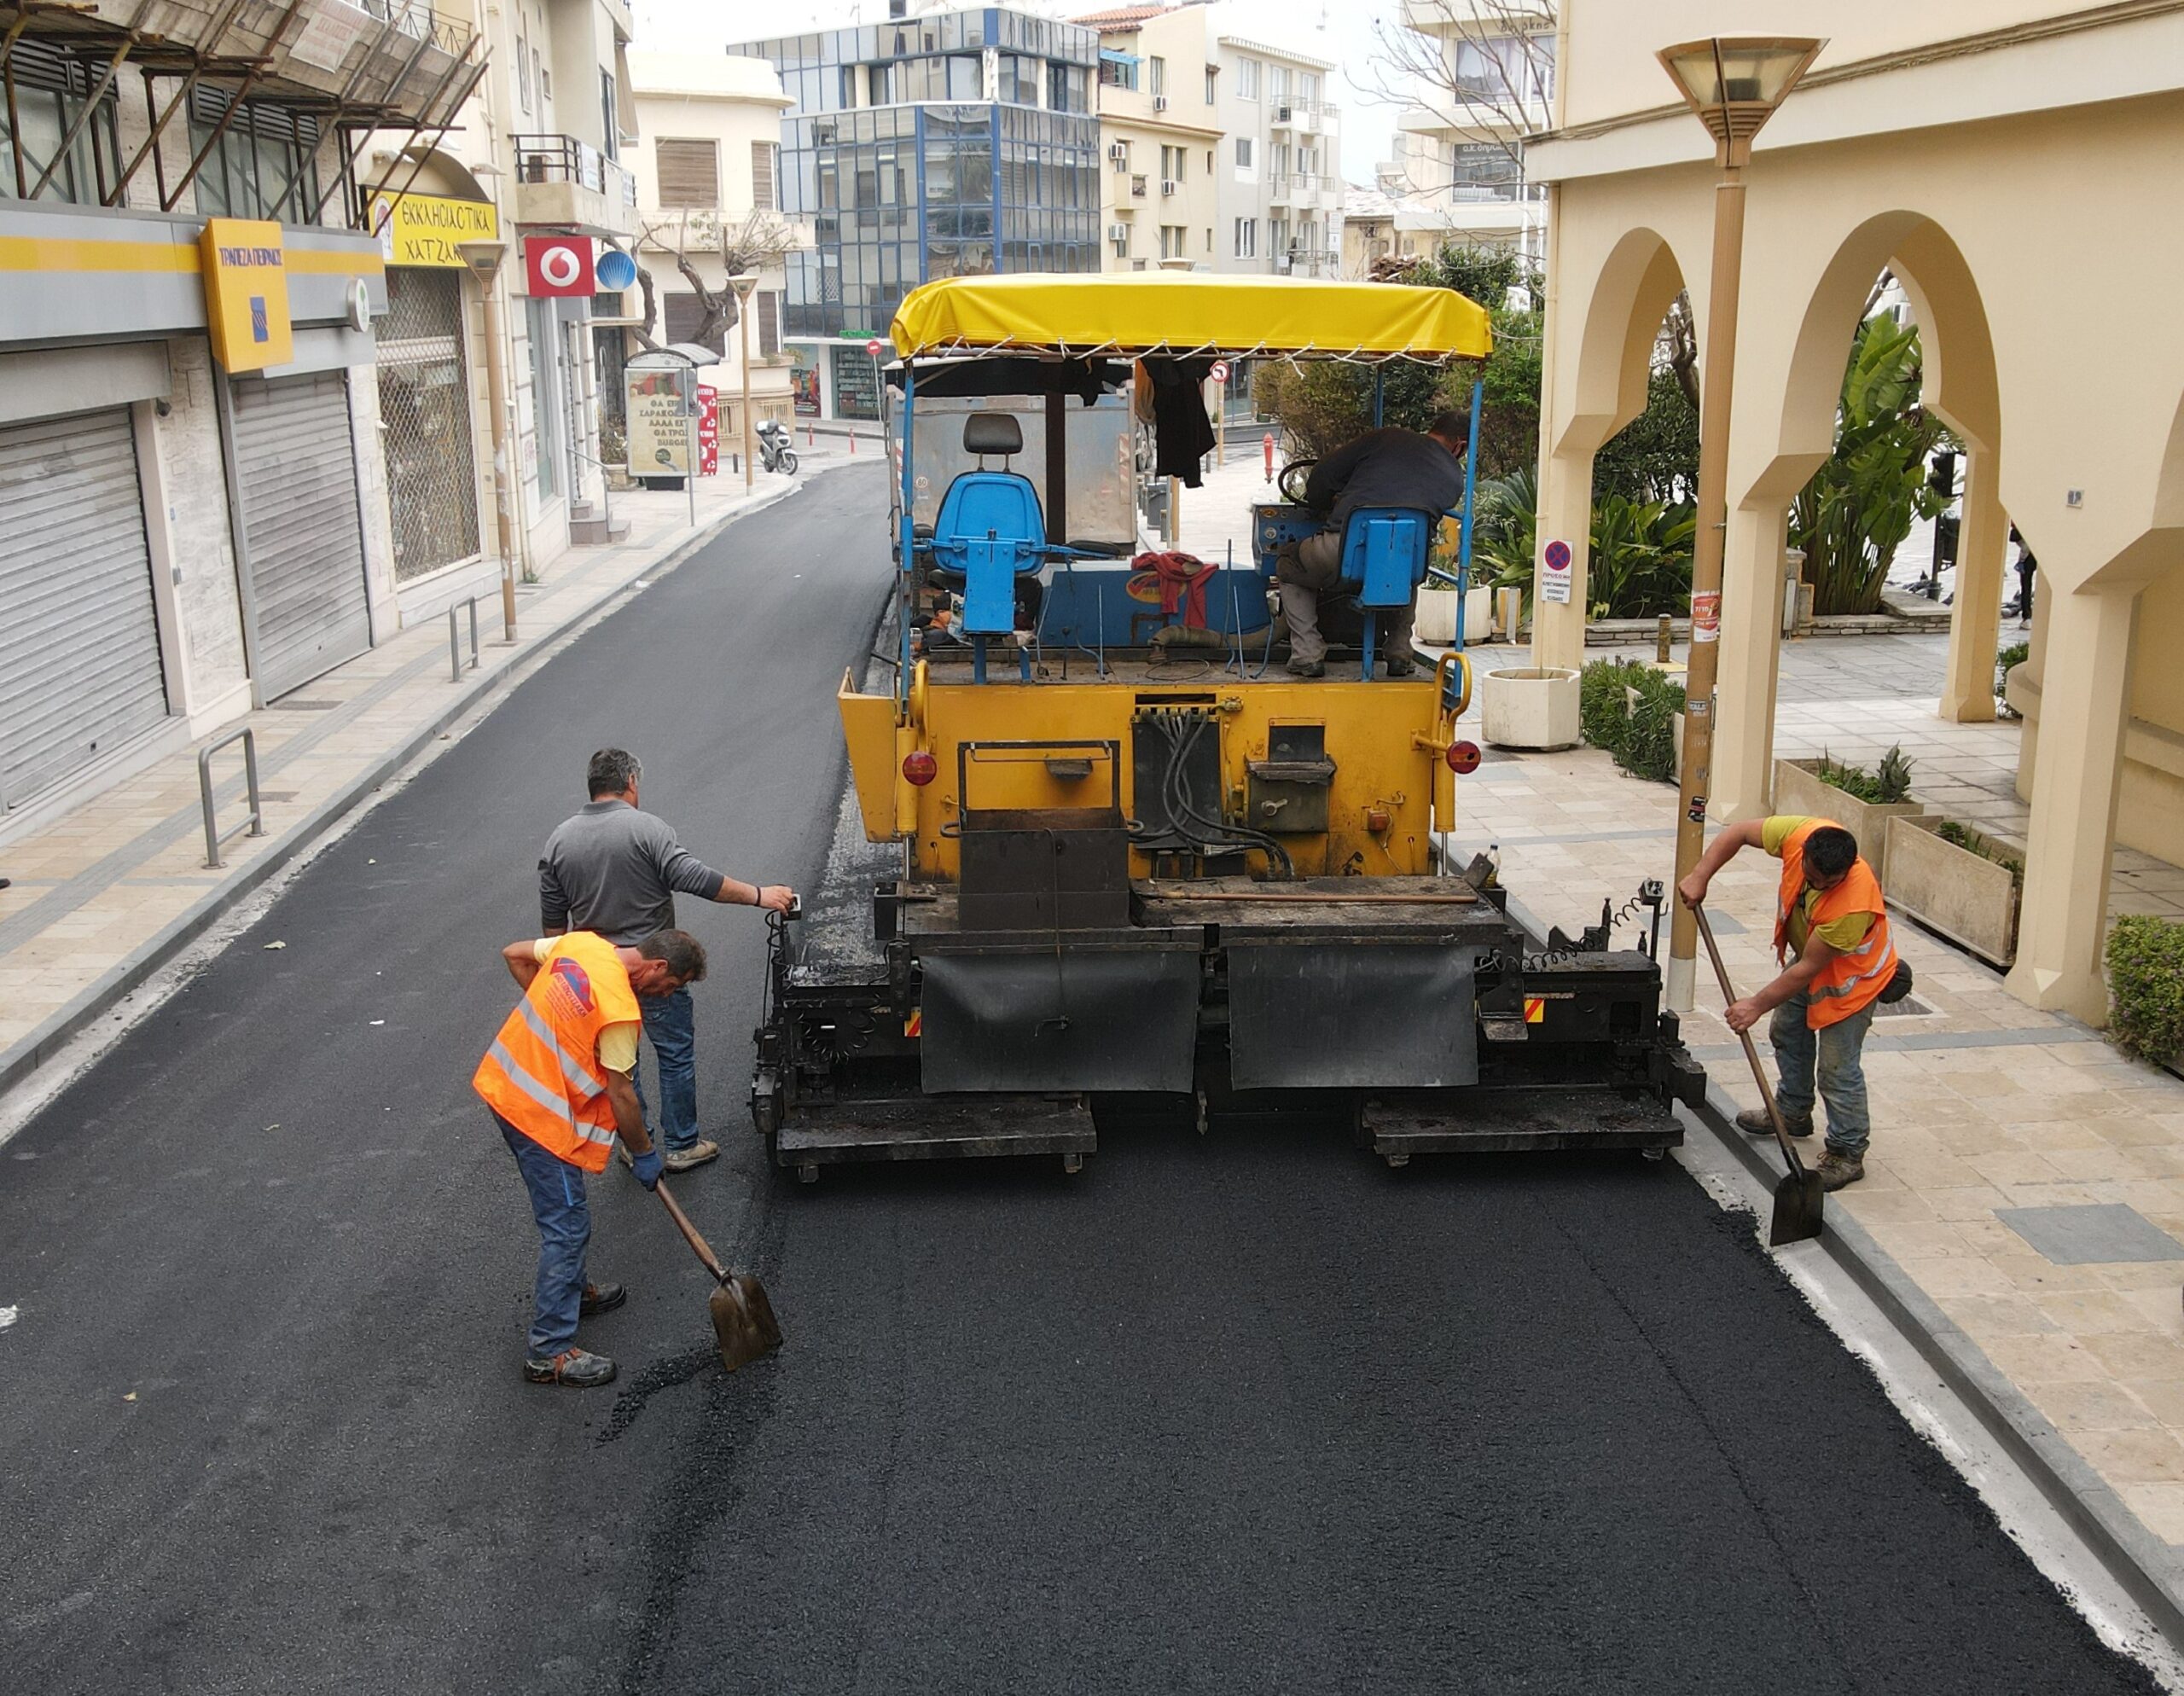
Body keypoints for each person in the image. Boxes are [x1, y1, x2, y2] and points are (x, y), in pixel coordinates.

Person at [539, 749, 795, 1174]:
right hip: (656, 971)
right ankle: (681, 1144)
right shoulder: (646, 830)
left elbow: (552, 928)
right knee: (674, 1053)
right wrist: (759, 894)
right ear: (631, 783)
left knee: (621, 1067)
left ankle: (635, 1143)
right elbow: (694, 878)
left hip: (599, 978)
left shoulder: (560, 840)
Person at [475, 927, 709, 1387]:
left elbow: (515, 953)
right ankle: (549, 1351)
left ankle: (573, 1291)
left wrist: (563, 1029)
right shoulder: (619, 1010)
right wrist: (644, 1153)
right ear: (658, 967)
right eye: (673, 985)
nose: (667, 994)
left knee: (568, 1208)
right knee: (567, 1224)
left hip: (506, 1081)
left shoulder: (582, 945)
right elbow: (623, 1097)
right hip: (537, 1114)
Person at [1677, 816, 1899, 1192]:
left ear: (1847, 870)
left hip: (1853, 979)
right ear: (1806, 853)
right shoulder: (1801, 834)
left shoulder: (1852, 905)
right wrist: (1701, 875)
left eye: (1830, 883)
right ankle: (1793, 1112)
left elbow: (1809, 970)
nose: (1819, 887)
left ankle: (1847, 1152)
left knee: (1837, 1068)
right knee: (1788, 1031)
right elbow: (1739, 832)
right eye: (1813, 878)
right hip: (1811, 955)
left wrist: (1755, 1005)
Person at [1275, 410, 1469, 679]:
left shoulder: (1388, 437)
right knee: (1406, 567)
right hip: (1401, 565)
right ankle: (1400, 653)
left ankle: (1307, 655)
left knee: (1288, 563)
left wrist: (1325, 503)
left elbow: (1323, 473)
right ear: (1460, 446)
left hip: (1340, 552)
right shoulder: (1454, 478)